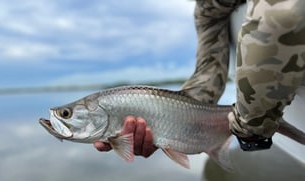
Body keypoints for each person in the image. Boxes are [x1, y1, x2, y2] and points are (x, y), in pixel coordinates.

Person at [94, 0, 305, 156]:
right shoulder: (208, 9)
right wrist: (172, 119)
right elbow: (209, 71)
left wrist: (251, 127)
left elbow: (284, 15)